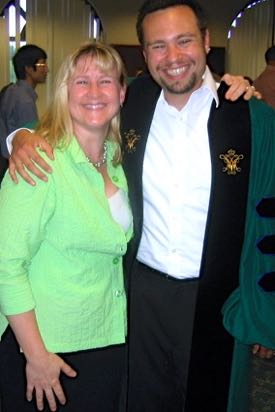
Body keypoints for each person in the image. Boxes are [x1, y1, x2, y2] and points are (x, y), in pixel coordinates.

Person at [4, 2, 269, 412]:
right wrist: (19, 137)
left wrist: (263, 309)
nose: (174, 57)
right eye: (158, 46)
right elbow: (78, 109)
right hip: (138, 295)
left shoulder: (248, 117)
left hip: (212, 295)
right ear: (144, 56)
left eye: (184, 41)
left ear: (206, 41)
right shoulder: (135, 103)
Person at [0, 42, 133, 412]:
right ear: (63, 92)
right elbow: (5, 266)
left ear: (121, 92)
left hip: (105, 336)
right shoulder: (39, 162)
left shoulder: (117, 161)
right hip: (46, 349)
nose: (94, 92)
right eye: (81, 82)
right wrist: (37, 355)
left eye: (105, 81)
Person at [0, 44, 48, 160]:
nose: (46, 69)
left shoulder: (11, 90)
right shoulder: (24, 100)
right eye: (42, 64)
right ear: (29, 69)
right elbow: (31, 144)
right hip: (15, 163)